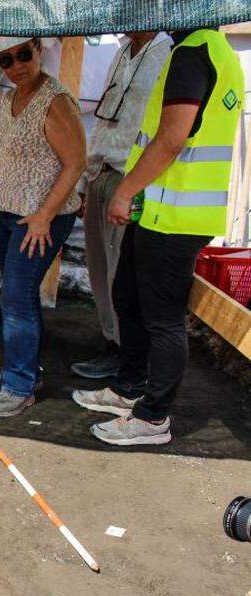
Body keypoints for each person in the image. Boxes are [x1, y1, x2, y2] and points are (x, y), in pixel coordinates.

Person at [73, 27, 244, 446]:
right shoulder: (210, 50)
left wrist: (127, 190)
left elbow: (172, 137)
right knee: (127, 295)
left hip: (176, 216)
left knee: (163, 319)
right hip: (163, 210)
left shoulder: (193, 53)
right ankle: (129, 387)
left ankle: (153, 418)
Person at [0, 36, 87, 418]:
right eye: (6, 60)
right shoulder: (9, 99)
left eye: (24, 54)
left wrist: (44, 215)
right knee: (17, 296)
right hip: (9, 213)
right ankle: (22, 373)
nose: (16, 66)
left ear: (39, 49)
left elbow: (76, 162)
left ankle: (19, 385)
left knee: (16, 297)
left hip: (41, 218)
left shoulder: (55, 100)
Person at [70, 32, 172, 380]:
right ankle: (112, 345)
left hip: (129, 177)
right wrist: (85, 182)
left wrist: (131, 190)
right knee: (99, 269)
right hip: (102, 170)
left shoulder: (167, 52)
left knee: (120, 275)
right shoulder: (124, 50)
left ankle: (127, 355)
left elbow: (165, 135)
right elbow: (102, 121)